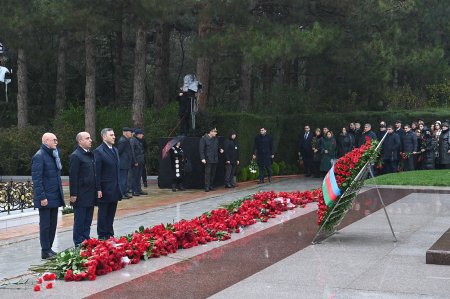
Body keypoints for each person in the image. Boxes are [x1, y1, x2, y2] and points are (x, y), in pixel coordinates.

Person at [32, 132, 65, 259]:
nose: (56, 142)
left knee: (52, 224)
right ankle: (45, 250)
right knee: (45, 225)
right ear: (46, 141)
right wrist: (42, 197)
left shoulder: (53, 155)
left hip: (54, 195)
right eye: (54, 140)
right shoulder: (39, 156)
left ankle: (49, 249)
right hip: (46, 197)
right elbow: (37, 179)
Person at [69, 132, 96, 247]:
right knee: (80, 219)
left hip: (90, 192)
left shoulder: (89, 154)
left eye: (90, 138)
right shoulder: (76, 156)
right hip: (81, 193)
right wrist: (73, 194)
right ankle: (79, 242)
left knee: (88, 219)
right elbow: (73, 176)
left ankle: (86, 238)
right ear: (80, 141)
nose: (90, 140)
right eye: (87, 138)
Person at [94, 128, 122, 240]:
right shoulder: (99, 151)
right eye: (111, 135)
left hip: (115, 187)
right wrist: (98, 188)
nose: (114, 137)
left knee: (111, 212)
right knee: (103, 212)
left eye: (114, 134)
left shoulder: (114, 150)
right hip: (105, 188)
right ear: (104, 137)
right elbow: (97, 171)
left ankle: (110, 233)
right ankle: (102, 234)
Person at [199, 126, 223, 192]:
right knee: (208, 173)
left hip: (215, 159)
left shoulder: (215, 139)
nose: (216, 133)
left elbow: (217, 146)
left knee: (213, 173)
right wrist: (203, 158)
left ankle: (210, 185)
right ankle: (206, 186)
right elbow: (201, 149)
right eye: (215, 131)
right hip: (208, 159)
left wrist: (220, 149)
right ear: (211, 132)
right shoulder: (204, 139)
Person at [117, 127, 134, 199]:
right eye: (130, 132)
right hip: (122, 164)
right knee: (122, 180)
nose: (131, 134)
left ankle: (124, 192)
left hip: (126, 163)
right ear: (126, 132)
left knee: (125, 179)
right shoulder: (123, 141)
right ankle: (121, 194)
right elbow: (119, 152)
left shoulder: (126, 140)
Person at [130, 129, 147, 196]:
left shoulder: (139, 140)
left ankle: (139, 190)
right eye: (141, 134)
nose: (142, 135)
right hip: (136, 161)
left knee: (139, 176)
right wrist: (135, 161)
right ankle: (134, 191)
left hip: (141, 161)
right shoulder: (133, 140)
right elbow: (132, 152)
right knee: (135, 176)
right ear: (138, 134)